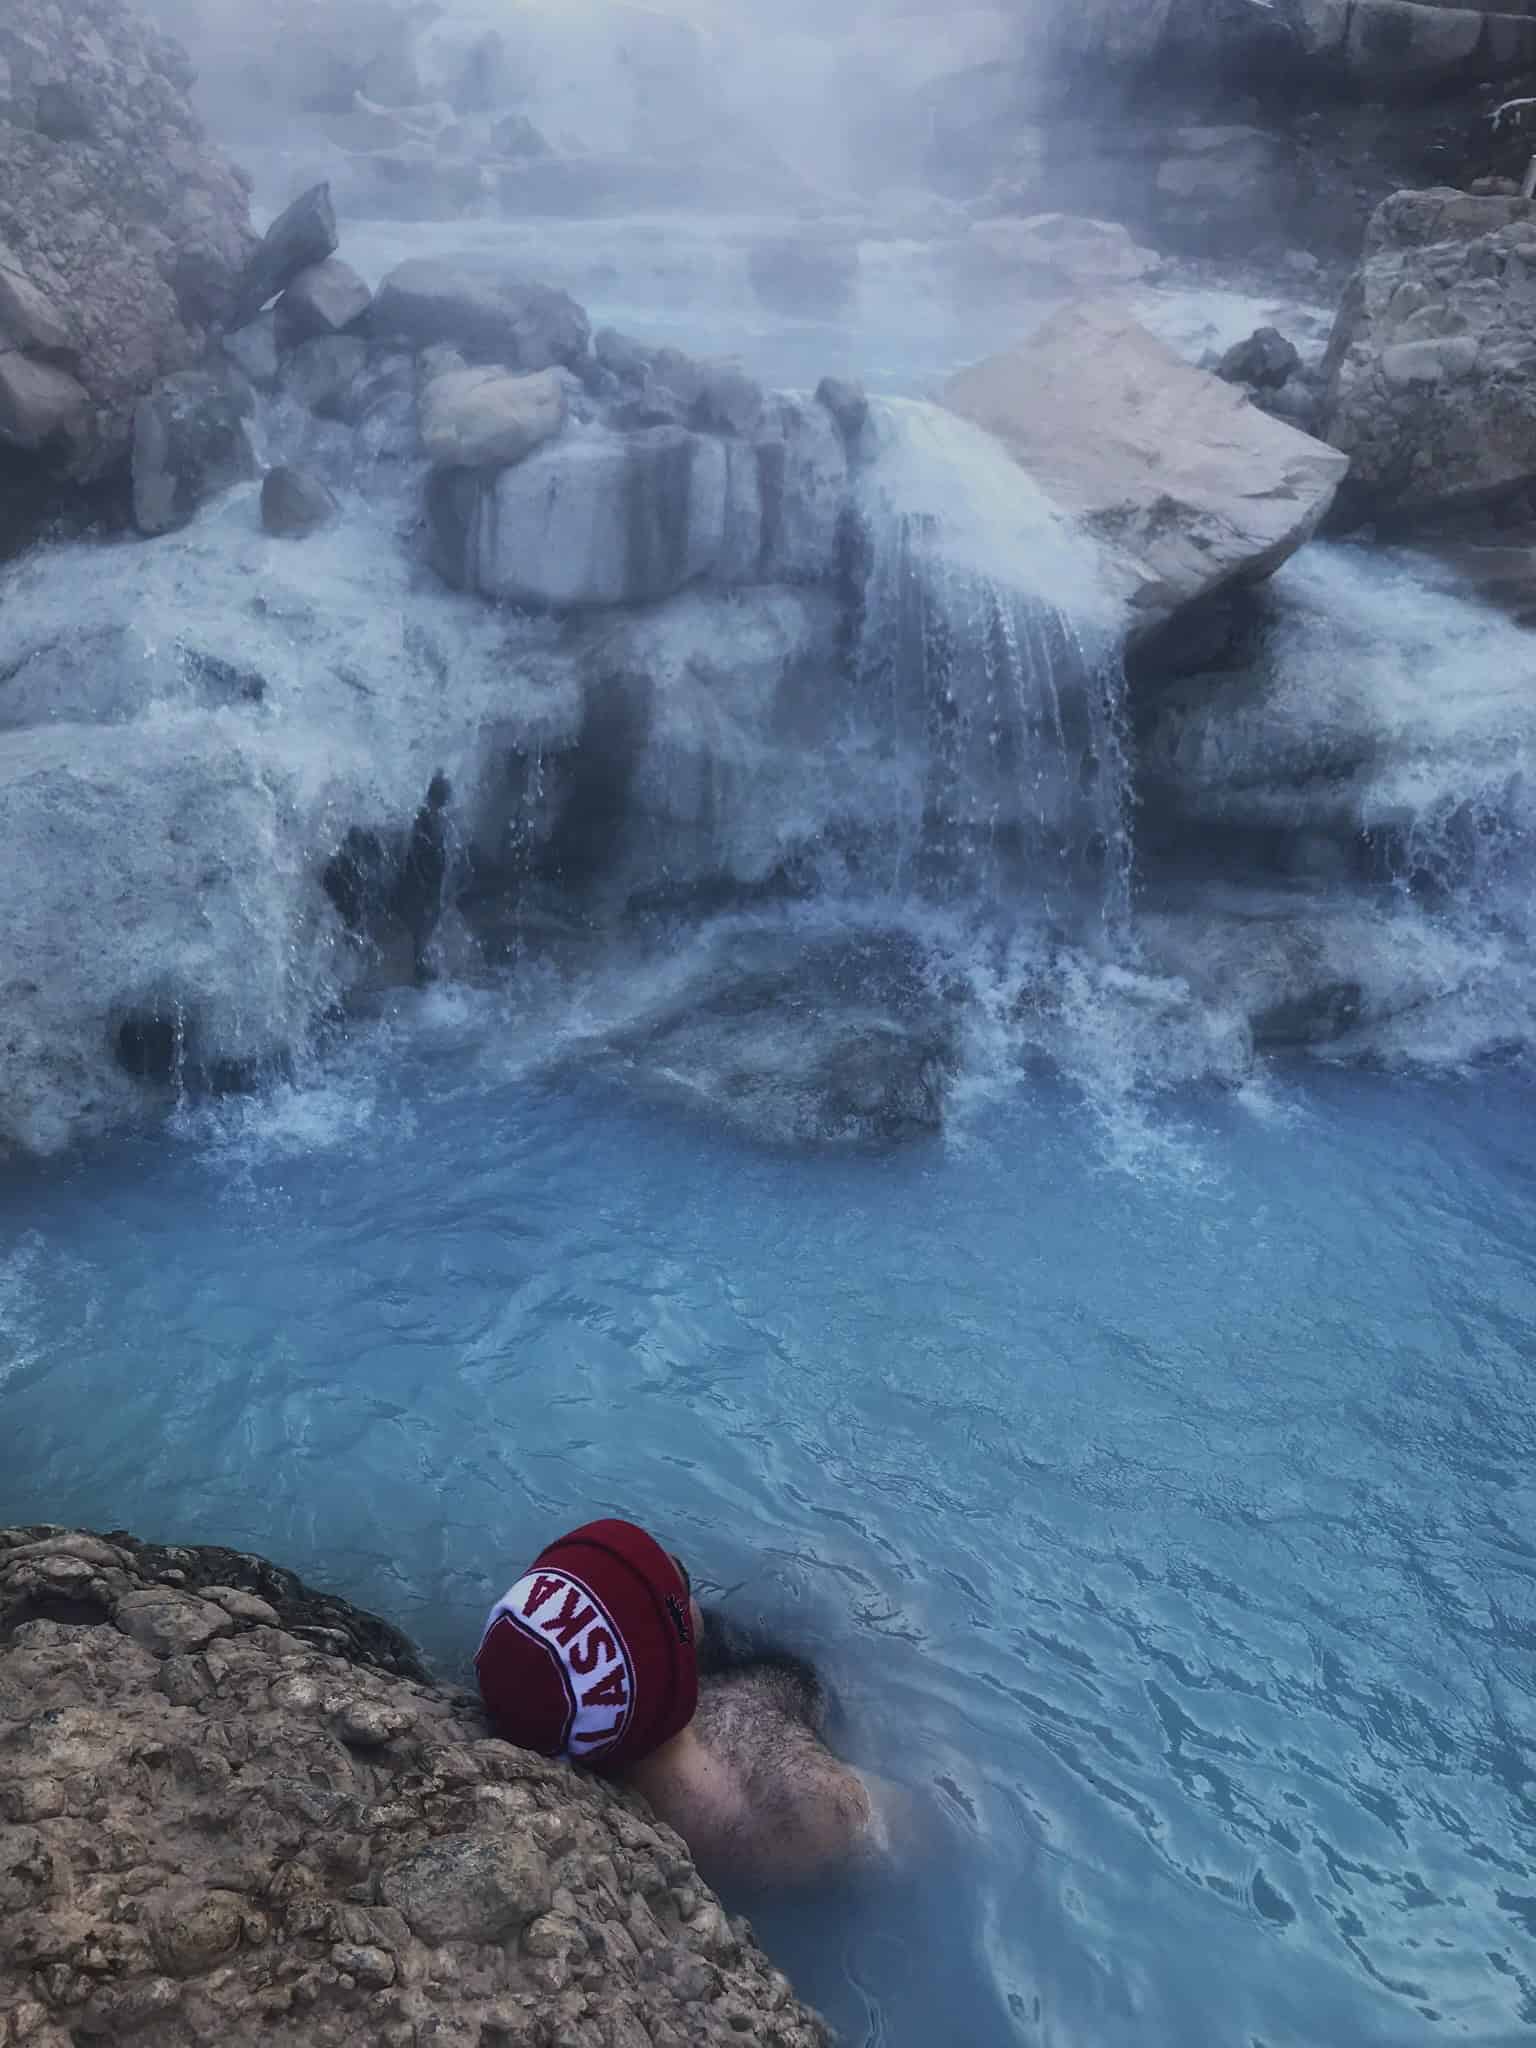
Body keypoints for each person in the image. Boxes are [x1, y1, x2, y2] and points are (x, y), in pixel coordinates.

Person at [476, 1518, 895, 1886]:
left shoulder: (584, 1728)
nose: (693, 1599)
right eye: (681, 1584)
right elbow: (916, 1834)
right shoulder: (794, 1796)